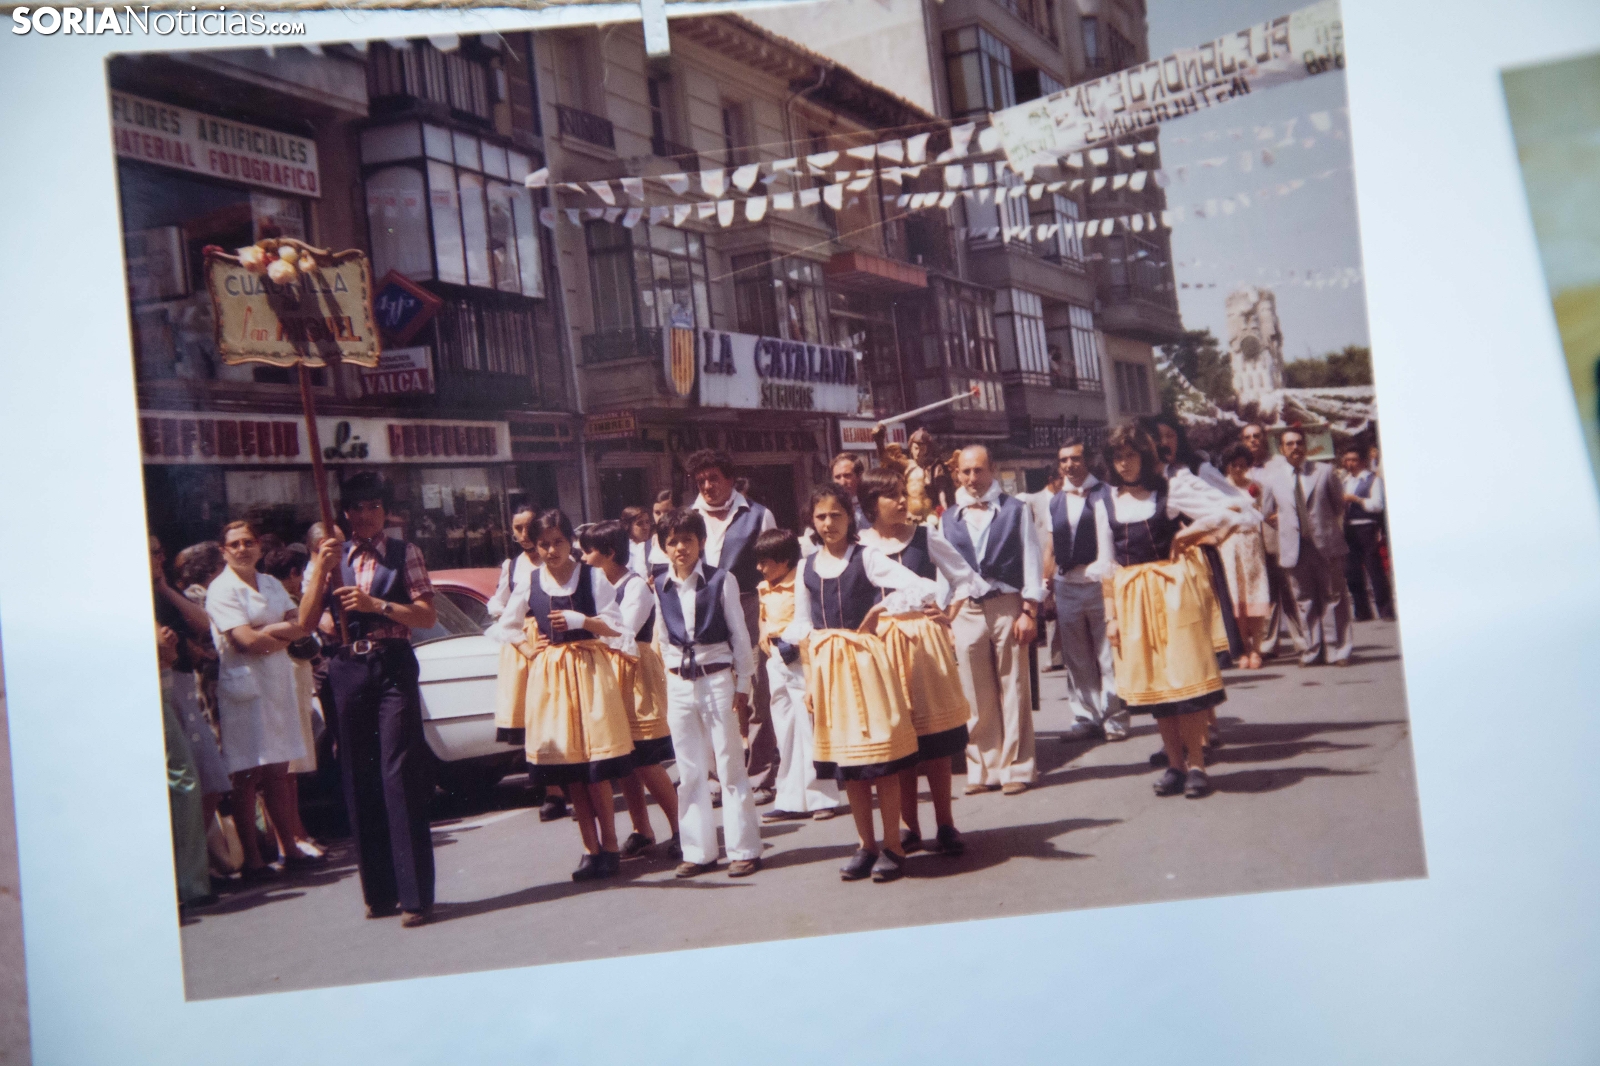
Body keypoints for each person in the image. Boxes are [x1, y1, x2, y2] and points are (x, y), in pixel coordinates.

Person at [1089, 425, 1261, 798]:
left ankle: (1197, 764)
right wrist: (1111, 617)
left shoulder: (1169, 491)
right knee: (1157, 687)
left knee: (1184, 681)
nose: (1125, 463)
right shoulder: (1105, 502)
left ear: (1144, 456)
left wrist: (1189, 534)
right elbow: (1107, 564)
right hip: (1133, 601)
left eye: (1131, 455)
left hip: (1173, 593)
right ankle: (1174, 765)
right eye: (1118, 457)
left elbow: (1234, 512)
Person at [299, 473, 439, 926]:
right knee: (358, 777)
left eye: (374, 506)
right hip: (346, 667)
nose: (366, 515)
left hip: (392, 663)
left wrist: (375, 605)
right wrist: (320, 570)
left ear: (385, 511)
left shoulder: (404, 553)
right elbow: (304, 624)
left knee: (398, 774)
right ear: (345, 513)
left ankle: (415, 897)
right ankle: (379, 893)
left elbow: (426, 615)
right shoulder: (331, 557)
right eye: (357, 508)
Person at [783, 485, 939, 882]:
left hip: (866, 664)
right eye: (820, 517)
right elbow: (803, 621)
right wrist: (800, 660)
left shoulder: (865, 556)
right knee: (849, 764)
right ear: (811, 521)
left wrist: (881, 608)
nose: (828, 523)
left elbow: (922, 586)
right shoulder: (806, 566)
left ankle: (893, 844)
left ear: (849, 517)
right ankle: (865, 844)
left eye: (836, 515)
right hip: (828, 670)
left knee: (880, 759)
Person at [487, 509, 635, 881]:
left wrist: (582, 621)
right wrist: (529, 649)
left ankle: (611, 845)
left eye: (558, 542)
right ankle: (590, 848)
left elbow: (617, 627)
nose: (551, 551)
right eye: (544, 544)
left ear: (571, 541)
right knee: (570, 770)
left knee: (595, 768)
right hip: (552, 677)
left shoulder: (592, 576)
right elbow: (506, 625)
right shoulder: (531, 581)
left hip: (588, 672)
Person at [856, 469, 981, 857]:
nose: (901, 501)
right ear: (872, 503)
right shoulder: (860, 546)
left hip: (923, 643)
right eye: (891, 495)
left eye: (901, 493)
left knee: (936, 740)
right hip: (881, 645)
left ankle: (945, 823)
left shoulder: (925, 536)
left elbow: (964, 577)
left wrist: (947, 613)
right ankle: (909, 827)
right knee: (899, 741)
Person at [654, 507, 763, 879]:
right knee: (689, 770)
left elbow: (740, 635)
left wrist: (742, 684)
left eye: (687, 539)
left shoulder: (721, 580)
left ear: (701, 542)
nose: (680, 548)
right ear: (664, 547)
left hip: (717, 680)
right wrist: (670, 680)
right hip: (679, 684)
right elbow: (663, 639)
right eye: (672, 542)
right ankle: (698, 851)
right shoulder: (659, 585)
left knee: (729, 765)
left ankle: (744, 850)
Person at [205, 520, 316, 882]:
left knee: (278, 770)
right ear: (224, 551)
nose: (242, 549)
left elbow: (298, 623)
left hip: (276, 684)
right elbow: (245, 642)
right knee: (248, 774)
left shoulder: (270, 583)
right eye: (235, 544)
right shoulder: (221, 590)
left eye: (248, 542)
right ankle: (253, 861)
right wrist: (278, 634)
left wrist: (265, 633)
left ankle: (290, 849)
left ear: (257, 546)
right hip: (245, 691)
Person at [577, 520, 682, 860]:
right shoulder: (597, 586)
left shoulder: (635, 587)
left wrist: (586, 627)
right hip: (609, 674)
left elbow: (623, 633)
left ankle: (682, 827)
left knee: (646, 758)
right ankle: (642, 830)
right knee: (625, 760)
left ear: (609, 553)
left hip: (635, 673)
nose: (582, 558)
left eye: (588, 551)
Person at [942, 445, 1044, 796]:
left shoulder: (1016, 510)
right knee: (974, 692)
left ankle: (1017, 767)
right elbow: (944, 573)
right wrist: (945, 620)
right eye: (966, 471)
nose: (972, 478)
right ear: (957, 474)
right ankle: (984, 768)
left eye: (979, 470)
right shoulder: (947, 518)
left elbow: (1032, 559)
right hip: (966, 610)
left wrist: (1029, 610)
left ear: (992, 470)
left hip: (1006, 605)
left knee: (1013, 686)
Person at [685, 450, 780, 805]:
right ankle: (716, 778)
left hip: (748, 604)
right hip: (704, 611)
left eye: (714, 478)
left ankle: (760, 776)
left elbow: (774, 564)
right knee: (711, 692)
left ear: (729, 479)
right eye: (701, 481)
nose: (707, 486)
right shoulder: (689, 517)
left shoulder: (758, 514)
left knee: (755, 692)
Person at [485, 505, 569, 823]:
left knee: (562, 710)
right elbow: (498, 603)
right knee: (535, 716)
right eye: (517, 529)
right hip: (526, 641)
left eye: (529, 527)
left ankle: (572, 780)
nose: (524, 535)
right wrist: (513, 623)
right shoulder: (513, 566)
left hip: (554, 633)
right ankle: (553, 792)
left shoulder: (555, 558)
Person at [752, 528, 842, 823]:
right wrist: (764, 633)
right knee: (785, 730)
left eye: (766, 562)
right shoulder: (765, 587)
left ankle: (822, 797)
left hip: (801, 661)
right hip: (776, 662)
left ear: (785, 560)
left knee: (809, 728)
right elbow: (765, 617)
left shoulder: (803, 583)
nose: (760, 568)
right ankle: (790, 798)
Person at [1043, 439, 1129, 742]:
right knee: (1076, 658)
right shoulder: (1055, 501)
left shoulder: (1107, 494)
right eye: (1064, 460)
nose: (1069, 465)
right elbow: (1051, 547)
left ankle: (1115, 718)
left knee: (1109, 656)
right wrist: (1047, 588)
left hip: (1099, 586)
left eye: (1075, 458)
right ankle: (1085, 717)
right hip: (1067, 586)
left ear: (1088, 460)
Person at [150, 538, 230, 861]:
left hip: (184, 684)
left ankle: (194, 855)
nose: (159, 557)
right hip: (163, 685)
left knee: (211, 778)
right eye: (152, 552)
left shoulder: (165, 592)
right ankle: (188, 860)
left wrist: (163, 587)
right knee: (187, 778)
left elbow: (203, 622)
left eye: (159, 551)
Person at [1259, 428, 1355, 667]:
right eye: (1289, 444)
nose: (1295, 447)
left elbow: (1338, 505)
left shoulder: (1324, 471)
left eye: (1299, 442)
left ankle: (1337, 651)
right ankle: (1312, 650)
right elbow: (1266, 512)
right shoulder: (1273, 478)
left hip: (1325, 544)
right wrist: (1288, 527)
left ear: (1306, 446)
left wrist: (1320, 526)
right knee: (1304, 599)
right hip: (1295, 548)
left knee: (1333, 597)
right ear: (1282, 449)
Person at [258, 548, 326, 859]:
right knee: (285, 766)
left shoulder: (285, 598)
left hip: (296, 680)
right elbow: (302, 638)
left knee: (292, 765)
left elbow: (301, 630)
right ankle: (292, 834)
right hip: (286, 679)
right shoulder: (280, 598)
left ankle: (298, 832)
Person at [156, 622, 214, 907]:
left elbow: (170, 654)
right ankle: (189, 882)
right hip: (149, 693)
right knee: (183, 781)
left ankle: (188, 880)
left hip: (162, 689)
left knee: (183, 780)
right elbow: (164, 648)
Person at [1242, 422, 1303, 658]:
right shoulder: (1240, 468)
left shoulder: (1278, 464)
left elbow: (1293, 492)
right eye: (1248, 437)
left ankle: (1302, 639)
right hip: (1252, 538)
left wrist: (1284, 514)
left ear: (1265, 438)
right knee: (1266, 592)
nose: (1253, 440)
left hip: (1277, 533)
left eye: (1257, 436)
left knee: (1290, 589)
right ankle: (1269, 642)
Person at [1216, 442, 1274, 669]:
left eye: (1243, 465)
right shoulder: (1219, 488)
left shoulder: (1255, 487)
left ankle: (1256, 649)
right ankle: (1242, 649)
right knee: (1237, 599)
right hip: (1230, 544)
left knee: (1255, 596)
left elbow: (1264, 513)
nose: (1239, 469)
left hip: (1252, 544)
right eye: (1234, 465)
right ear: (1227, 466)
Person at [1018, 466, 1066, 672]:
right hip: (1042, 560)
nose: (1064, 482)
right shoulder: (1035, 499)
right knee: (1047, 608)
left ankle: (1062, 656)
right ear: (1051, 479)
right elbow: (1017, 501)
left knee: (1061, 609)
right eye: (1061, 478)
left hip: (1063, 559)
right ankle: (1051, 657)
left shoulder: (1066, 499)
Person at [1339, 445, 1395, 621]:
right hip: (1348, 528)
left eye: (1354, 460)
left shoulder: (1373, 480)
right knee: (1352, 571)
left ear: (1362, 461)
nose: (1350, 463)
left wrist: (1357, 500)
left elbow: (1377, 505)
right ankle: (1362, 611)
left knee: (1374, 569)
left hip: (1367, 526)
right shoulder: (1345, 481)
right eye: (1347, 460)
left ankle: (1386, 610)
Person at [903, 427, 956, 522]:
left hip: (929, 514)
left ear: (927, 449)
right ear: (911, 448)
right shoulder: (905, 466)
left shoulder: (935, 467)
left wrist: (944, 511)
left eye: (922, 449)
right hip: (909, 514)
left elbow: (941, 492)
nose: (918, 452)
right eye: (916, 448)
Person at [830, 452, 870, 528]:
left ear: (859, 476)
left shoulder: (873, 507)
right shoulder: (829, 507)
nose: (842, 482)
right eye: (837, 477)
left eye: (847, 476)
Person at [619, 505, 655, 581]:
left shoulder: (653, 545)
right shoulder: (624, 550)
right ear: (628, 526)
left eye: (647, 522)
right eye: (640, 523)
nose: (645, 527)